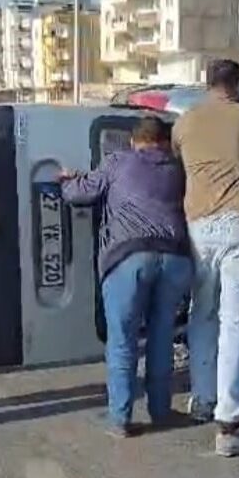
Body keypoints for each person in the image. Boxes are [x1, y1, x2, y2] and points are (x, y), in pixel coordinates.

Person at [60, 116, 193, 438]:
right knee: (162, 337)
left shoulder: (117, 161)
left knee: (123, 339)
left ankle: (120, 417)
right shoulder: (179, 168)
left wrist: (66, 180)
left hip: (129, 258)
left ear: (134, 141)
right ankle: (161, 411)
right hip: (176, 258)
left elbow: (79, 194)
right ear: (164, 141)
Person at [172, 59, 239, 457]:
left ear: (206, 82)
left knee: (203, 313)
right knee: (238, 322)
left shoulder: (185, 121)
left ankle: (202, 397)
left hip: (198, 226)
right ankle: (230, 422)